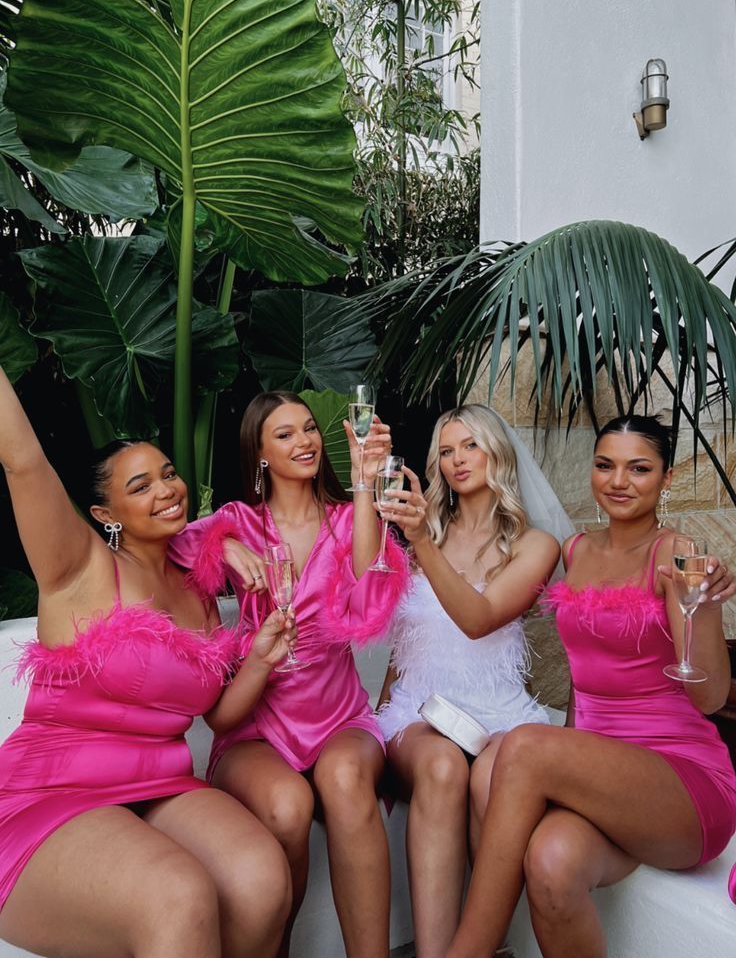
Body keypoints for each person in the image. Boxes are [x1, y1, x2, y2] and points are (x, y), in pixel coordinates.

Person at [0, 365, 293, 958]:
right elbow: (24, 459)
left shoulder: (200, 588)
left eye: (168, 473)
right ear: (106, 515)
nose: (166, 490)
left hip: (161, 783)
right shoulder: (78, 567)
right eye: (140, 487)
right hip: (53, 793)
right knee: (177, 893)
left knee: (262, 878)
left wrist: (259, 659)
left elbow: (219, 716)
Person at [446, 415, 736, 958]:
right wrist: (574, 762)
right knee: (552, 863)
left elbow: (710, 697)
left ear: (667, 479)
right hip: (605, 780)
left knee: (524, 746)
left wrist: (708, 609)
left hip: (682, 785)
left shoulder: (674, 552)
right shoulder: (576, 551)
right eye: (605, 465)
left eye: (639, 468)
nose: (619, 481)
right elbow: (584, 682)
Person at [168, 390, 410, 958]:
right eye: (284, 434)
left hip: (340, 715)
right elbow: (162, 544)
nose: (303, 441)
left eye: (307, 429)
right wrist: (222, 547)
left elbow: (368, 597)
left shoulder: (350, 518)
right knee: (285, 808)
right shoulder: (237, 522)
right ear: (259, 453)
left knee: (347, 782)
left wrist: (366, 481)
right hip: (258, 722)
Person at [374, 404, 569, 958]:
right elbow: (403, 642)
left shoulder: (535, 545)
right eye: (446, 450)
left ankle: (484, 946)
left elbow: (479, 619)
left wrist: (421, 545)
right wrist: (380, 713)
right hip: (419, 707)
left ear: (497, 453)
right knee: (439, 766)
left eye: (470, 446)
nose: (457, 460)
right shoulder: (423, 530)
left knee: (497, 776)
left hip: (499, 709)